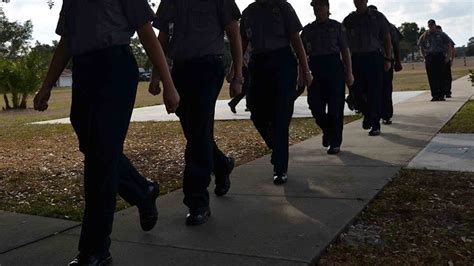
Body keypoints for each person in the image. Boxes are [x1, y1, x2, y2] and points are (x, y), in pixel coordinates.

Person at [33, 0, 179, 264]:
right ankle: (142, 191)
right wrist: (46, 86)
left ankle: (95, 250)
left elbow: (147, 33)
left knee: (100, 160)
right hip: (85, 71)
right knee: (99, 151)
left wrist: (168, 84)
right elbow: (67, 41)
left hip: (115, 67)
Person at [151, 0, 243, 226]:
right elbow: (162, 39)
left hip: (208, 67)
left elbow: (234, 35)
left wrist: (238, 74)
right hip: (180, 70)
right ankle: (222, 165)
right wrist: (157, 76)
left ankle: (197, 201)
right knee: (194, 133)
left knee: (199, 133)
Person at [238, 0, 313, 185]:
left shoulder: (282, 7)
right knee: (256, 112)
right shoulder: (248, 12)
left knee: (280, 116)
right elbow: (242, 43)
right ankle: (277, 148)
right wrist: (236, 69)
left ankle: (280, 168)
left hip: (282, 63)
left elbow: (295, 39)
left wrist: (305, 70)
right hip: (259, 64)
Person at [301, 0, 354, 155]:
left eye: (320, 6)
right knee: (315, 105)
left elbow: (345, 51)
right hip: (315, 68)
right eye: (315, 7)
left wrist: (349, 73)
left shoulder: (337, 27)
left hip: (333, 67)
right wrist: (302, 74)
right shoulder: (308, 30)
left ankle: (335, 142)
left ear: (327, 7)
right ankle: (328, 130)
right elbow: (301, 54)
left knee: (335, 107)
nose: (317, 9)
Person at [343, 0, 392, 136]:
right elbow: (344, 43)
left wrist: (388, 58)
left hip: (374, 57)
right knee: (356, 92)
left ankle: (375, 124)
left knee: (374, 92)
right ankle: (367, 114)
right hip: (356, 58)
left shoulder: (377, 17)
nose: (358, 2)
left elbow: (387, 37)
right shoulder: (349, 20)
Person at [367, 5, 403, 125]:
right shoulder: (365, 24)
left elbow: (396, 43)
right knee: (379, 88)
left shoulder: (388, 26)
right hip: (374, 60)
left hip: (385, 59)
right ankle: (380, 114)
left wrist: (397, 61)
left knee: (384, 87)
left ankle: (385, 114)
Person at [418, 19, 454, 101]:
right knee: (432, 77)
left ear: (435, 25)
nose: (431, 26)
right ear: (428, 26)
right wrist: (424, 57)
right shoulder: (424, 35)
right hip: (430, 57)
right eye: (429, 25)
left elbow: (449, 44)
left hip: (440, 56)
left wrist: (448, 57)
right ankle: (435, 95)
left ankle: (441, 95)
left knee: (441, 76)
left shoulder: (441, 34)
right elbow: (421, 47)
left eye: (432, 25)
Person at [227, 45, 252, 113]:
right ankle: (233, 103)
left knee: (249, 87)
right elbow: (238, 57)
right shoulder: (245, 44)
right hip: (245, 67)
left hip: (247, 66)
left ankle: (248, 105)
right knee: (246, 87)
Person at [436, 25, 455, 98]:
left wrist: (451, 59)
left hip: (446, 59)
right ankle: (442, 91)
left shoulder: (446, 37)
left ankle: (448, 92)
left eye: (439, 31)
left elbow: (452, 49)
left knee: (447, 76)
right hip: (438, 59)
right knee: (440, 77)